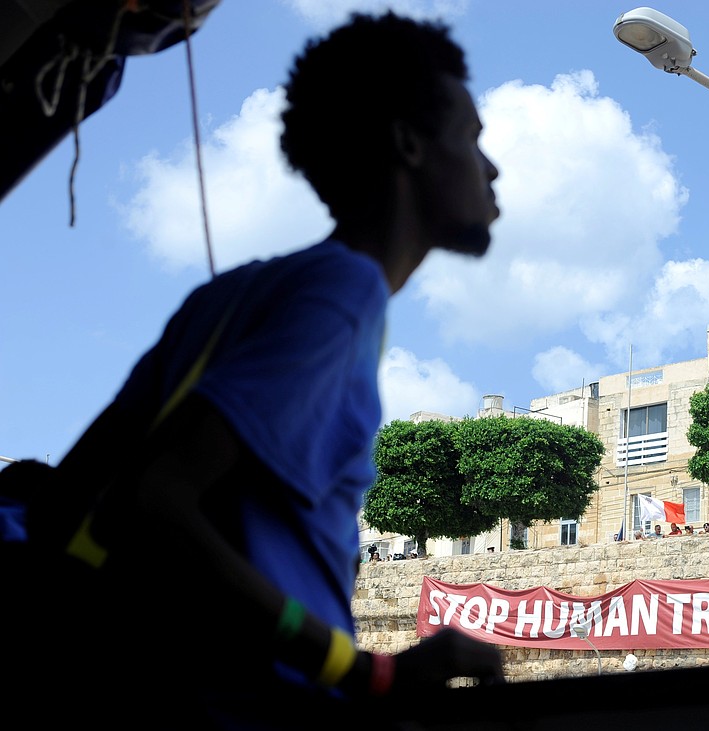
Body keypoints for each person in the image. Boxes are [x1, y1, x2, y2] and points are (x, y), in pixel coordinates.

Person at [12, 12, 504, 727]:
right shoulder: (348, 292)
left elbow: (64, 506)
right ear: (408, 145)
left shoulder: (224, 296)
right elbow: (156, 500)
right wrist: (368, 670)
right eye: (472, 139)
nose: (489, 168)